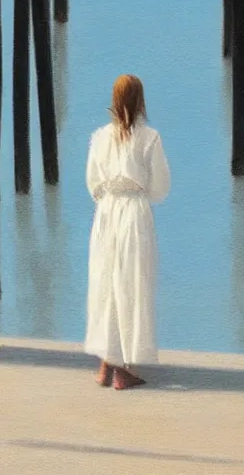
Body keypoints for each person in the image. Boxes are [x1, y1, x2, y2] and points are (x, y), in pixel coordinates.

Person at [84, 74, 171, 391]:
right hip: (133, 211)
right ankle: (122, 368)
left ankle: (107, 362)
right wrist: (139, 194)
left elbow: (93, 182)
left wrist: (109, 197)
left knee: (105, 282)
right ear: (140, 101)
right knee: (131, 283)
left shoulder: (99, 137)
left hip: (106, 211)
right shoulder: (149, 138)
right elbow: (160, 187)